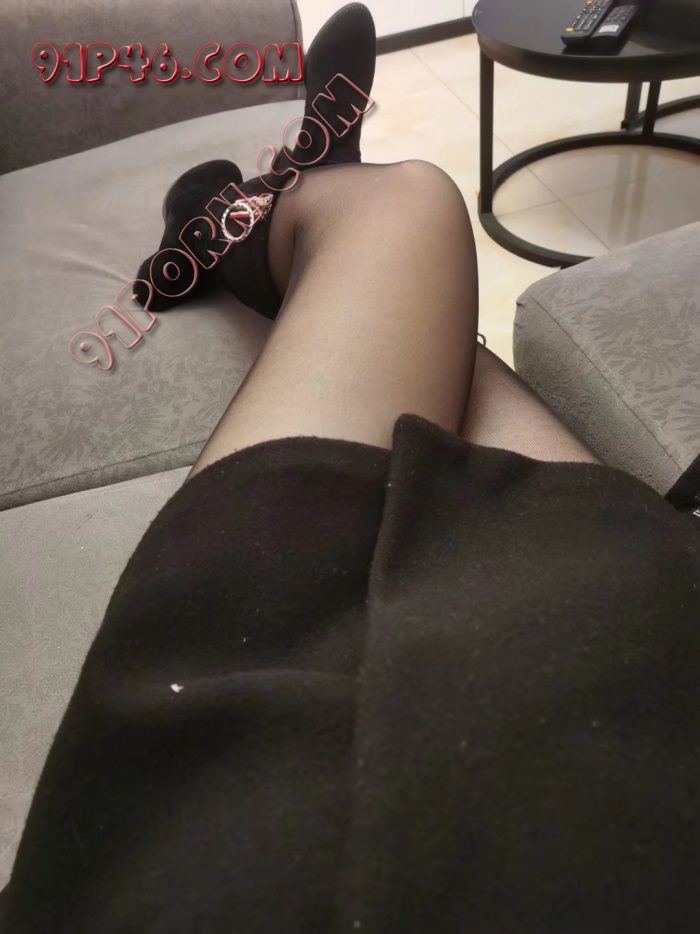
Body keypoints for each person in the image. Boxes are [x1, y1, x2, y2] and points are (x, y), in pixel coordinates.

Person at [2, 5, 698, 932]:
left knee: (411, 201)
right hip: (641, 691)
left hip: (239, 810)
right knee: (429, 344)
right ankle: (276, 216)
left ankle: (255, 217)